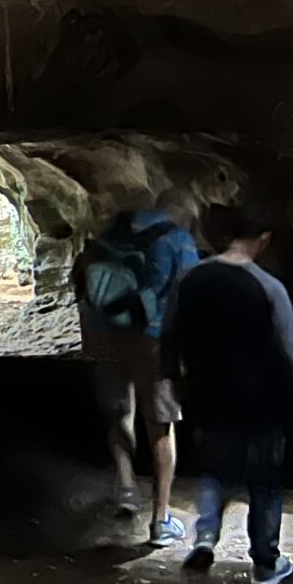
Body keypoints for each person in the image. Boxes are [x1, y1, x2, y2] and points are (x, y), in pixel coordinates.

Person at [162, 201, 293, 584]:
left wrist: (171, 378)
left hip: (208, 391)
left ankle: (205, 537)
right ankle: (265, 564)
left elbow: (170, 333)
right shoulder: (268, 286)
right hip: (264, 397)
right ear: (263, 239)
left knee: (214, 468)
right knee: (265, 479)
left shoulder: (191, 278)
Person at [77, 187, 200, 546]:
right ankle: (160, 521)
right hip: (152, 340)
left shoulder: (116, 227)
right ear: (183, 212)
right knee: (160, 425)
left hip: (104, 334)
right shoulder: (178, 239)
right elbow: (194, 291)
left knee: (119, 411)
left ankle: (127, 488)